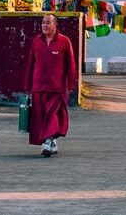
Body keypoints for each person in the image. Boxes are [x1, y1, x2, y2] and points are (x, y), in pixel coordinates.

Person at [24, 13, 77, 157]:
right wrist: (27, 85)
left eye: (48, 23)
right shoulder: (36, 42)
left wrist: (71, 85)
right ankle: (51, 142)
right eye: (43, 23)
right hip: (39, 86)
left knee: (51, 114)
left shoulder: (64, 41)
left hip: (57, 87)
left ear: (55, 25)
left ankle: (47, 142)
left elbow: (71, 65)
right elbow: (31, 64)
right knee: (40, 116)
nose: (44, 26)